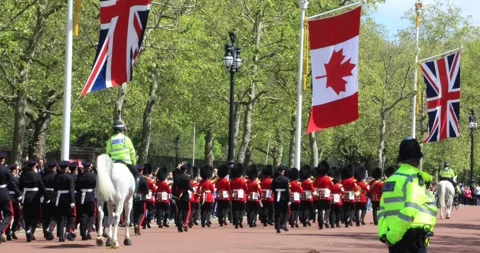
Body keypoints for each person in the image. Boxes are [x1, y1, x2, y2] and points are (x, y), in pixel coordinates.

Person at [378, 137, 437, 253]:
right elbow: (411, 209)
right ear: (418, 159)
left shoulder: (391, 180)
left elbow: (382, 211)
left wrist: (385, 235)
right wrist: (394, 236)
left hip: (393, 237)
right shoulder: (414, 178)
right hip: (411, 238)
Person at [18, 159, 47, 242]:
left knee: (27, 215)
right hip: (35, 197)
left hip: (26, 196)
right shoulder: (37, 175)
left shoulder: (23, 175)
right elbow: (42, 187)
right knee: (36, 215)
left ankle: (28, 231)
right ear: (34, 166)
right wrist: (46, 197)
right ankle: (30, 229)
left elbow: (20, 186)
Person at [0, 157, 21, 243]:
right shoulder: (4, 170)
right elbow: (12, 182)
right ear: (3, 160)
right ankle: (1, 230)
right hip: (3, 194)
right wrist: (19, 194)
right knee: (9, 214)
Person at [75, 161, 96, 240]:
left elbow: (77, 187)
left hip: (81, 197)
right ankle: (87, 229)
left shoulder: (79, 176)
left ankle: (83, 233)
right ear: (90, 167)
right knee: (92, 215)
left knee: (83, 216)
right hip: (90, 196)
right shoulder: (93, 176)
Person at [171, 164, 194, 232]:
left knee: (180, 210)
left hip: (177, 195)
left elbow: (173, 187)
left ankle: (179, 226)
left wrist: (174, 194)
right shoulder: (187, 177)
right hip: (185, 195)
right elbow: (189, 187)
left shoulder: (176, 177)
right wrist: (193, 190)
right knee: (187, 210)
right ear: (186, 170)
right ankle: (185, 223)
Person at [272, 165, 290, 233]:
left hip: (277, 197)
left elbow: (273, 189)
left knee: (277, 212)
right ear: (283, 171)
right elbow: (287, 190)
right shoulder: (286, 179)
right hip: (284, 197)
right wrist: (288, 199)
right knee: (285, 212)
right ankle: (283, 224)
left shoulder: (275, 179)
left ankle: (278, 228)